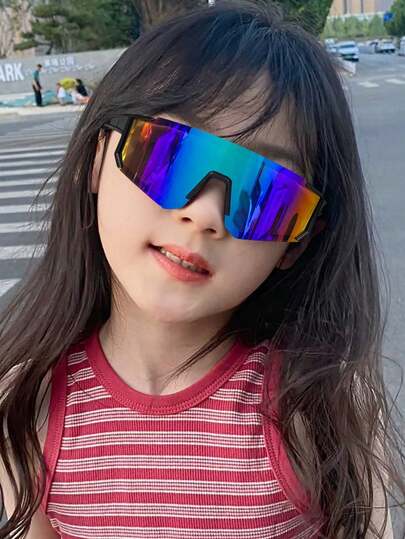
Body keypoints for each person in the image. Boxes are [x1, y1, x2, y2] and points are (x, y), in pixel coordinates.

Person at [0, 1, 404, 538]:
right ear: (97, 159)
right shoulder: (29, 400)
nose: (205, 213)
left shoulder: (322, 401)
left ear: (298, 240)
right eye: (170, 153)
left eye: (262, 192)